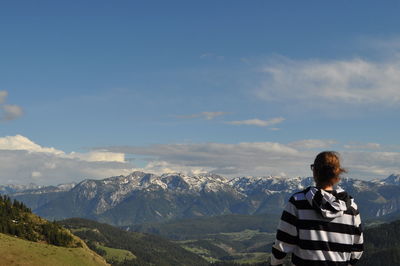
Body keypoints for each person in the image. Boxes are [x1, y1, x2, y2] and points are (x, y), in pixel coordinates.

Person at [270, 151, 363, 265]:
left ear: (314, 172)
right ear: (337, 173)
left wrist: (275, 263)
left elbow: (282, 245)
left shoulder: (298, 202)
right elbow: (357, 249)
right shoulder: (351, 208)